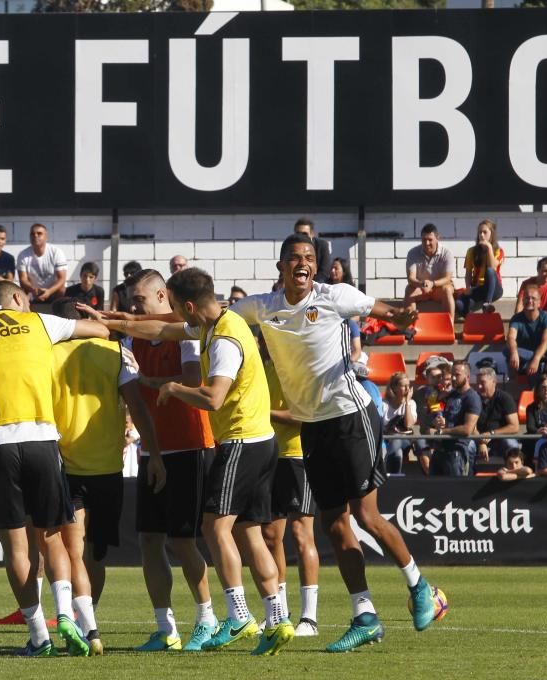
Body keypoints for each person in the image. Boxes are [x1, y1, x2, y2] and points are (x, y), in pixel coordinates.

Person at [225, 233, 440, 652]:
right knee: (334, 523)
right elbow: (218, 319)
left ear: (314, 267)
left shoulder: (333, 296)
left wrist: (400, 317)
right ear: (281, 267)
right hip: (314, 426)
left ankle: (421, 587)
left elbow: (386, 312)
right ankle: (365, 616)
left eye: (308, 258)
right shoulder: (262, 308)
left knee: (366, 515)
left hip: (352, 415)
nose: (302, 263)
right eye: (293, 258)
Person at [95, 268, 294, 656]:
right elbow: (160, 331)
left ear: (186, 304)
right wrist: (116, 321)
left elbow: (214, 398)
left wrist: (173, 387)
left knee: (214, 528)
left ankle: (238, 616)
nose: (175, 318)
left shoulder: (222, 339)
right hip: (260, 441)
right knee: (249, 533)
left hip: (240, 440)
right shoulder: (216, 322)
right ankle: (279, 619)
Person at [0, 280, 109, 657]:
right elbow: (101, 330)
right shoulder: (41, 322)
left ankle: (39, 635)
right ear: (17, 300)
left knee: (16, 547)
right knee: (52, 537)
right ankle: (67, 616)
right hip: (41, 438)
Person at [109, 269, 217, 653]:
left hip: (190, 445)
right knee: (149, 540)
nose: (133, 307)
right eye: (131, 301)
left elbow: (190, 379)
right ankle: (165, 628)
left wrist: (154, 384)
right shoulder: (134, 342)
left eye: (139, 300)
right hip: (154, 450)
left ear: (161, 298)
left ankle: (207, 619)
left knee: (183, 540)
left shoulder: (185, 333)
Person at [50, 297, 160, 655]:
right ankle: (87, 622)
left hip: (65, 466)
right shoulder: (116, 353)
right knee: (95, 556)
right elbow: (137, 406)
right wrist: (155, 453)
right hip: (108, 468)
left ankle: (83, 624)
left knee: (72, 551)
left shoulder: (48, 356)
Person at [261, 347, 321, 638]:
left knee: (301, 534)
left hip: (299, 456)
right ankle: (278, 614)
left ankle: (309, 618)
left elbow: (305, 416)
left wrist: (264, 412)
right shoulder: (264, 369)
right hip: (270, 456)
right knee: (271, 537)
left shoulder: (301, 370)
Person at [428, 361, 481, 476]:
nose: (452, 378)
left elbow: (467, 429)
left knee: (455, 490)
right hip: (440, 449)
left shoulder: (472, 397)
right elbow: (439, 413)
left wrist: (441, 431)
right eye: (452, 374)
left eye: (457, 375)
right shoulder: (450, 395)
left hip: (457, 451)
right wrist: (437, 422)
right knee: (432, 490)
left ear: (467, 377)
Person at [404, 223, 456, 321]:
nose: (427, 243)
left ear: (437, 239)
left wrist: (432, 284)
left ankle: (450, 325)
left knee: (447, 289)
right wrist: (422, 284)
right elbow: (411, 278)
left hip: (439, 288)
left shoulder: (447, 253)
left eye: (430, 240)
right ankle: (409, 326)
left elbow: (447, 278)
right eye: (424, 240)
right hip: (421, 288)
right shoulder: (413, 253)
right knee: (409, 290)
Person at [508, 285, 547, 376]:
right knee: (507, 350)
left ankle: (542, 363)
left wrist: (536, 359)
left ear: (539, 303)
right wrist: (514, 352)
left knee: (528, 367)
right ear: (523, 300)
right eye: (527, 298)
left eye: (533, 298)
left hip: (545, 354)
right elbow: (511, 337)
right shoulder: (516, 318)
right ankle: (546, 364)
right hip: (528, 357)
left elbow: (546, 341)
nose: (529, 301)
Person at [474, 367, 521, 466]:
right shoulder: (473, 398)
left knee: (511, 445)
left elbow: (514, 426)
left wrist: (491, 434)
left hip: (500, 438)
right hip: (477, 438)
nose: (479, 386)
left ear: (494, 382)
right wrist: (481, 442)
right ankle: (466, 478)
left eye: (482, 383)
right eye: (477, 383)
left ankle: (515, 474)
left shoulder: (505, 398)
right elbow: (470, 424)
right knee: (467, 446)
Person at [457, 219, 504, 316]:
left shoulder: (498, 251)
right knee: (459, 304)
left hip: (494, 288)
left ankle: (487, 304)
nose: (481, 235)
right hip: (478, 288)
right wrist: (468, 287)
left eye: (485, 232)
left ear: (492, 234)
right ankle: (473, 322)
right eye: (480, 232)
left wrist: (489, 248)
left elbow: (492, 266)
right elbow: (468, 274)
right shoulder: (471, 251)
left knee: (490, 271)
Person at [17, 224, 68, 305]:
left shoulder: (57, 252)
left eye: (39, 233)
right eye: (32, 234)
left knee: (62, 288)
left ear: (46, 237)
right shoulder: (23, 255)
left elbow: (62, 278)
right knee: (22, 290)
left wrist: (49, 291)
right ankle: (26, 313)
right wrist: (33, 289)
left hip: (53, 291)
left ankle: (58, 311)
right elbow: (23, 280)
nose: (35, 236)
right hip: (33, 291)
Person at [382, 371, 417, 475]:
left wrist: (406, 403)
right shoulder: (384, 404)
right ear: (395, 388)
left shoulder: (411, 403)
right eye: (403, 386)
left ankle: (386, 473)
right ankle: (395, 478)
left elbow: (408, 425)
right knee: (398, 453)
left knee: (397, 439)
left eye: (408, 386)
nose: (407, 389)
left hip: (405, 441)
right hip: (386, 441)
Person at [515, 257, 547, 325]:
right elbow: (519, 306)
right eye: (545, 271)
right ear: (538, 270)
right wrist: (517, 324)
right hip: (529, 320)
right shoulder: (527, 284)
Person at [293, 218, 330, 283]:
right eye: (298, 234)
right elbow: (284, 270)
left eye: (304, 234)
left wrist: (307, 283)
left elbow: (324, 273)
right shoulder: (290, 246)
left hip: (317, 285)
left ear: (312, 234)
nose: (301, 237)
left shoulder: (322, 245)